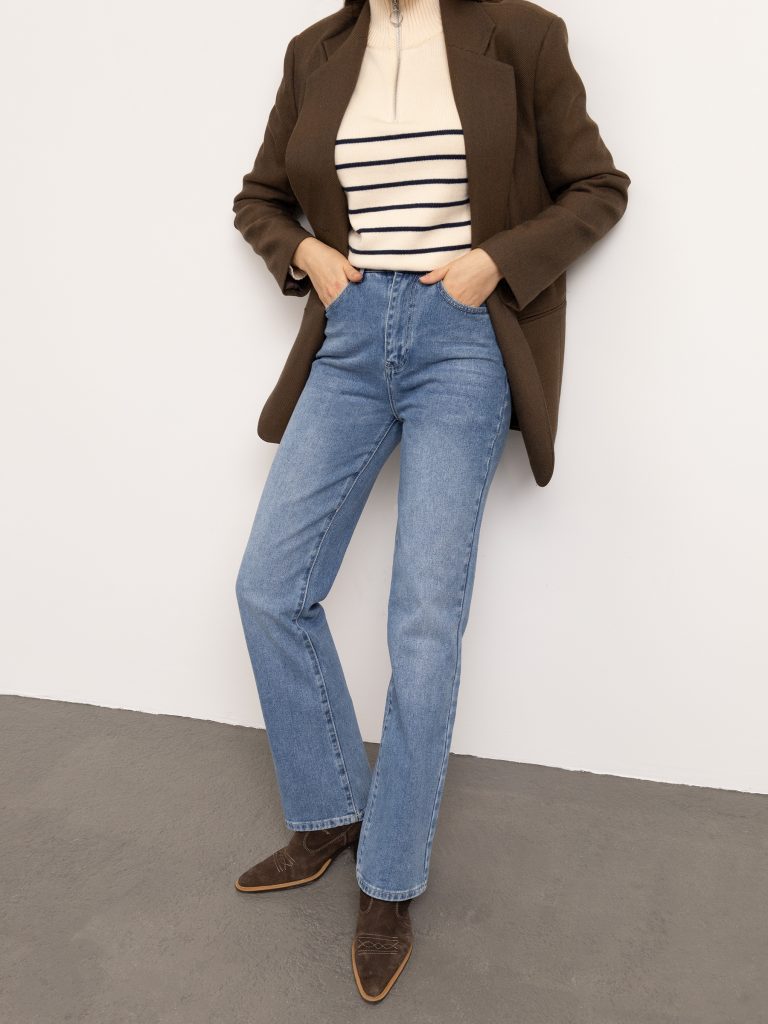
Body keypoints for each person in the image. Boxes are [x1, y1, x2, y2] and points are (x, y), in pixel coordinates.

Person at [231, 0, 629, 1003]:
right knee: (270, 587)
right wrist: (307, 256)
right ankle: (330, 810)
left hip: (464, 340)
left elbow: (598, 186)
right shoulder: (316, 52)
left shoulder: (521, 35)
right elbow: (260, 198)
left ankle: (390, 876)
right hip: (353, 333)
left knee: (422, 621)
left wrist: (495, 261)